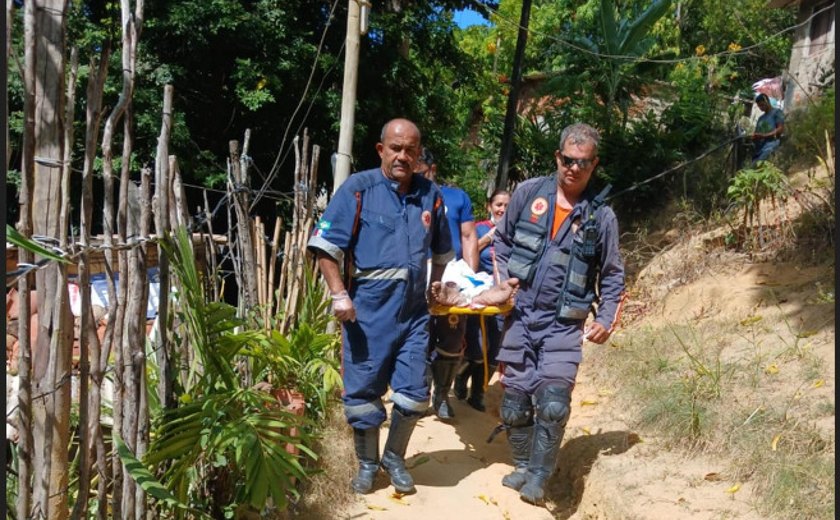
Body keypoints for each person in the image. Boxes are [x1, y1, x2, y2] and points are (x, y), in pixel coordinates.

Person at [307, 118, 454, 495]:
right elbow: (324, 247)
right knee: (363, 396)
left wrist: (437, 285)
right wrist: (339, 294)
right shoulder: (358, 189)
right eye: (396, 148)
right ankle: (368, 465)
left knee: (414, 394)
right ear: (381, 150)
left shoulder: (430, 194)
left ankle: (394, 458)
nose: (403, 156)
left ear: (418, 155)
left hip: (414, 315)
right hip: (367, 315)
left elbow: (442, 250)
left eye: (410, 150)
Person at [492, 122, 625, 506]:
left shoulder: (602, 217)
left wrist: (606, 318)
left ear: (594, 164)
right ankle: (522, 465)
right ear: (557, 158)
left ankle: (540, 477)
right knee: (514, 404)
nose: (574, 168)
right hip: (519, 316)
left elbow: (612, 274)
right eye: (568, 160)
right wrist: (504, 286)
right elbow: (501, 240)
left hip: (564, 324)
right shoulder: (528, 193)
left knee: (553, 404)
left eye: (583, 162)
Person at [415, 148, 479, 420]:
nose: (417, 177)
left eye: (422, 172)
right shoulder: (405, 196)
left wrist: (471, 281)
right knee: (418, 336)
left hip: (451, 277)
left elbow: (469, 237)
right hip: (418, 274)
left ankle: (441, 395)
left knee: (452, 337)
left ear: (433, 169)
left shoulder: (456, 197)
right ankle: (418, 395)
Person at [456, 189, 511, 411]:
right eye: (498, 205)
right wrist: (489, 238)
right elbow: (465, 255)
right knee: (478, 347)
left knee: (496, 350)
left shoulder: (516, 231)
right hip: (478, 297)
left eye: (507, 206)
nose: (502, 210)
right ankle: (461, 377)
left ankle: (478, 393)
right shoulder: (478, 228)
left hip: (503, 300)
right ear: (490, 206)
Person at [751, 93, 784, 164]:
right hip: (759, 148)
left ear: (767, 101)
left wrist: (764, 136)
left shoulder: (777, 112)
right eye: (759, 106)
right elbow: (756, 133)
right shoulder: (761, 118)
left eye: (762, 105)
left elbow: (780, 129)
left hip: (771, 144)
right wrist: (754, 137)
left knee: (759, 164)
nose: (761, 108)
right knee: (754, 164)